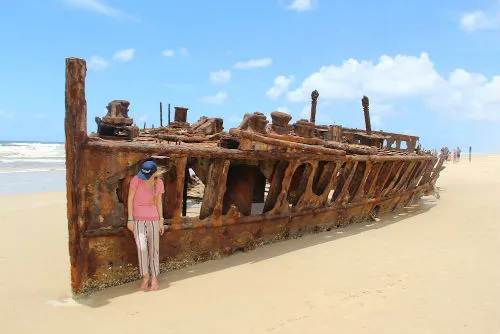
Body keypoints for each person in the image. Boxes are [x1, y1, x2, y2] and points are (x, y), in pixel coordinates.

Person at [127, 160, 165, 291]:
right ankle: (145, 276)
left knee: (154, 249)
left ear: (154, 173)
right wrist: (130, 219)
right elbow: (130, 199)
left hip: (154, 220)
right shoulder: (136, 180)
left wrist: (161, 221)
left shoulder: (158, 183)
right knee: (142, 248)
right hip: (138, 220)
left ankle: (154, 277)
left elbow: (159, 203)